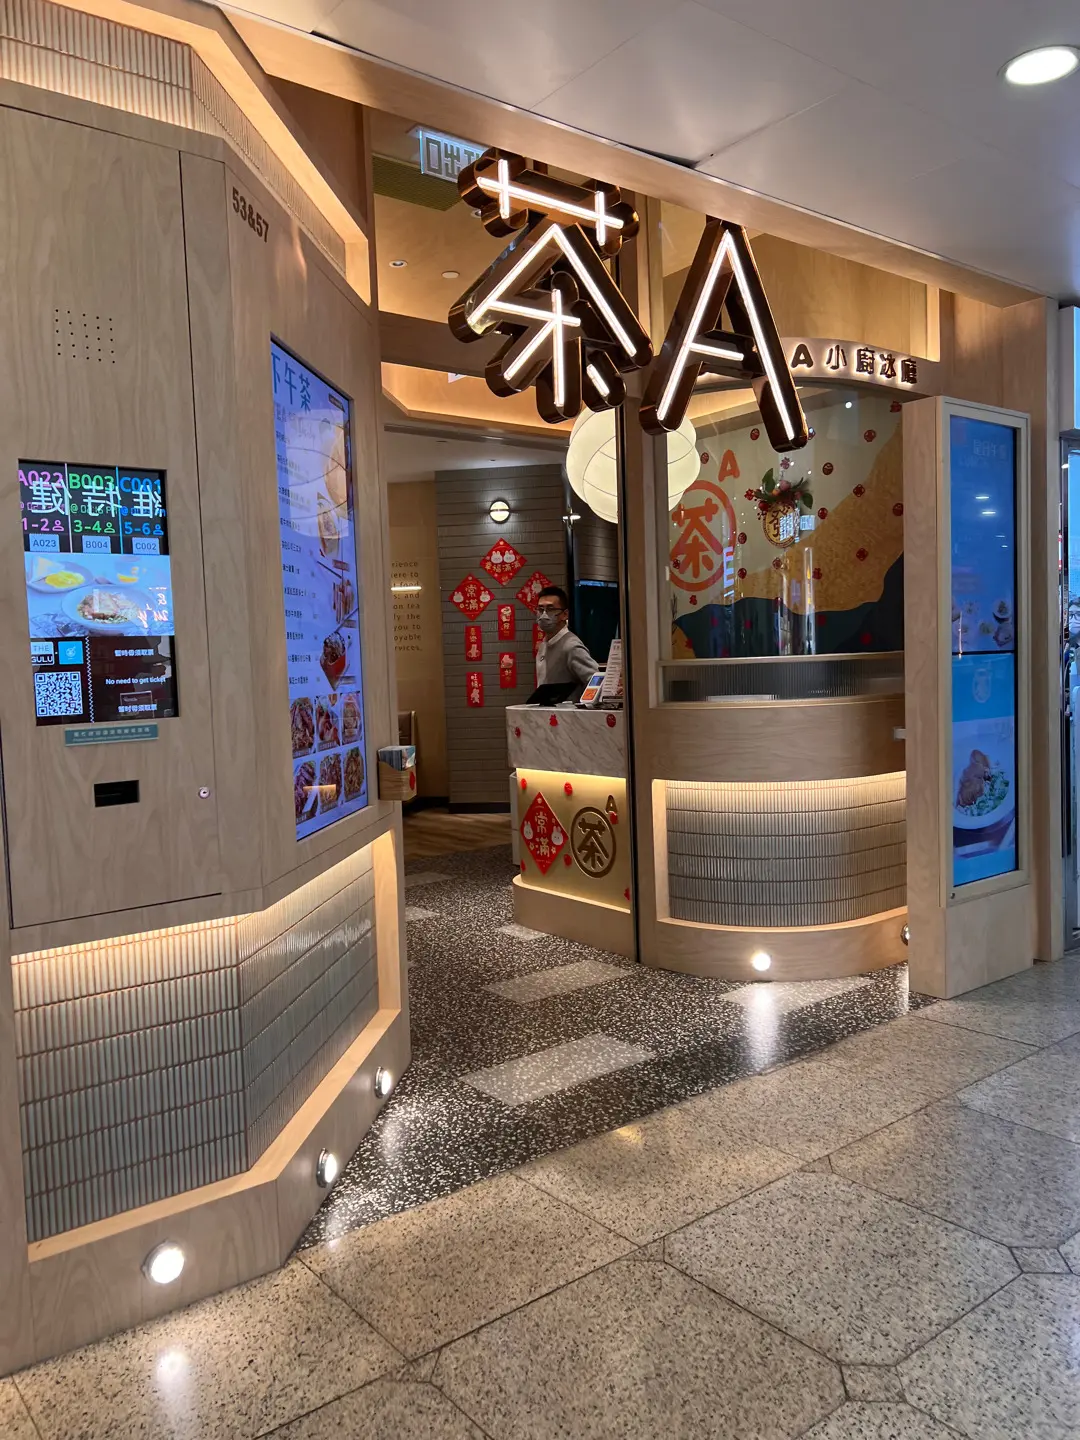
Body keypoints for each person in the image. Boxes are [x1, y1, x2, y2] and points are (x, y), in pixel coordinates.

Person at [534, 585, 597, 687]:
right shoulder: (544, 645)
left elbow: (596, 681)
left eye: (550, 609)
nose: (544, 615)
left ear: (565, 614)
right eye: (540, 610)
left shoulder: (571, 646)